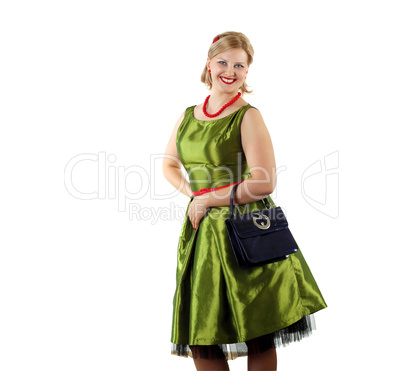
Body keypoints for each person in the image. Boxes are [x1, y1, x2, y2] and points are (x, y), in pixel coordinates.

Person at [162, 31, 328, 371]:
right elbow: (168, 164)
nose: (230, 70)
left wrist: (208, 199)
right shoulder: (187, 115)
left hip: (247, 230)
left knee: (257, 329)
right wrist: (196, 197)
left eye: (240, 65)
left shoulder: (248, 115)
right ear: (208, 64)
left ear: (247, 71)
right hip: (203, 237)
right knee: (202, 337)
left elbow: (264, 181)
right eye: (223, 62)